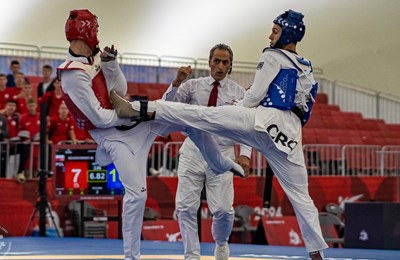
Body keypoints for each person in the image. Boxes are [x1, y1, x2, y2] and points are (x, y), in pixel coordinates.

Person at [111, 9, 328, 259]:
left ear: (287, 33)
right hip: (289, 137)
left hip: (260, 122)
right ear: (210, 63)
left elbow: (255, 97)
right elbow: (303, 107)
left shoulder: (272, 55)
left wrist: (235, 107)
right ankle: (317, 253)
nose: (270, 36)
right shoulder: (306, 67)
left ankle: (136, 108)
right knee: (302, 197)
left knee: (203, 116)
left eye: (275, 31)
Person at [57, 9, 244, 260]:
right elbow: (99, 118)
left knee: (183, 117)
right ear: (87, 31)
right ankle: (131, 257)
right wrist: (132, 113)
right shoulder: (72, 74)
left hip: (134, 123)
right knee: (137, 195)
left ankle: (221, 161)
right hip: (113, 137)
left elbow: (120, 89)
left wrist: (112, 66)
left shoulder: (94, 60)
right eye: (96, 29)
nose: (98, 34)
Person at [163, 44, 251, 260]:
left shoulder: (239, 93)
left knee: (222, 209)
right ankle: (191, 255)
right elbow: (167, 107)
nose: (220, 66)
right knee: (185, 207)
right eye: (216, 61)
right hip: (193, 150)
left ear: (230, 66)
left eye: (225, 62)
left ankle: (221, 243)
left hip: (223, 154)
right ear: (209, 62)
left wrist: (245, 153)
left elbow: (247, 126)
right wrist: (176, 83)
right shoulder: (192, 86)